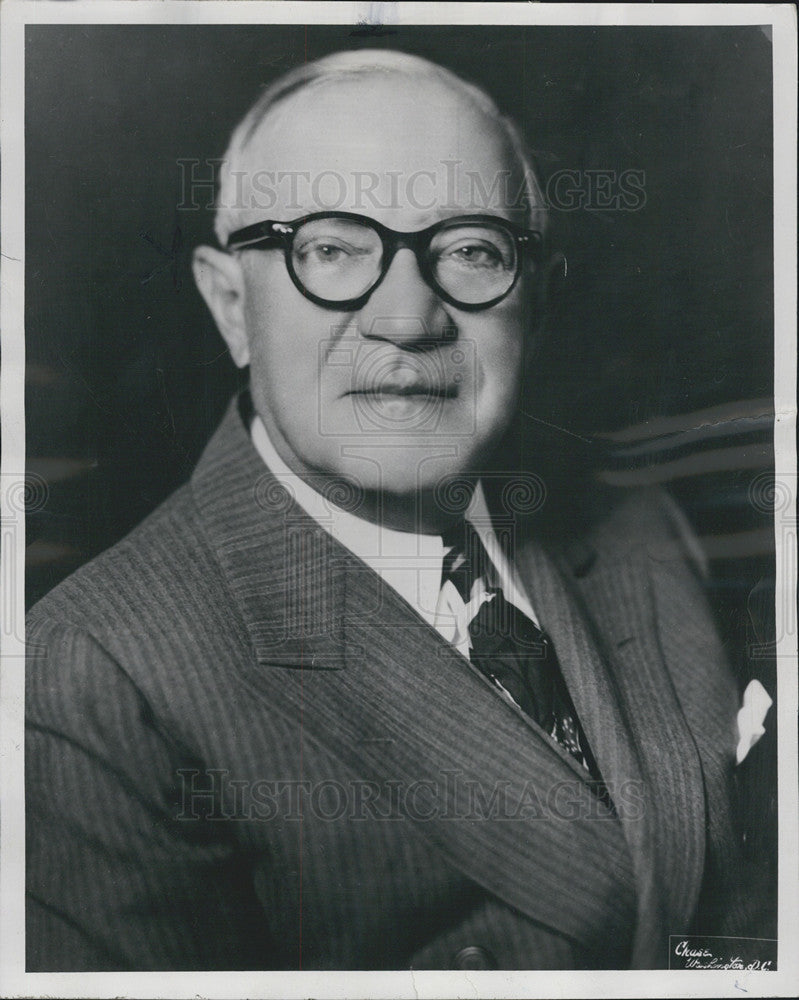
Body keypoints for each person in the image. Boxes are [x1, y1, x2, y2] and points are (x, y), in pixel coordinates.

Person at [26, 48, 769, 972]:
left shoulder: (640, 529)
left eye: (469, 251)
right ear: (229, 306)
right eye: (330, 249)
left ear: (531, 303)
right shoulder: (89, 683)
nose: (407, 318)